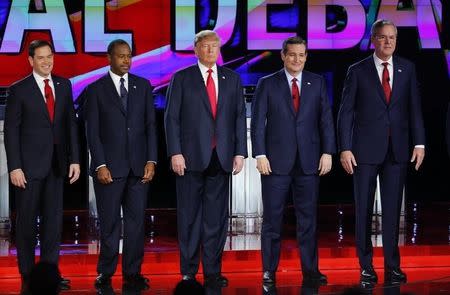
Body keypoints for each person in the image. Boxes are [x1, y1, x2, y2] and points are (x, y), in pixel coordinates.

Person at [337, 19, 425, 284]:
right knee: (364, 210)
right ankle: (366, 265)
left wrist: (419, 143)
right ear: (373, 40)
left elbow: (414, 108)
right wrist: (345, 148)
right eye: (383, 37)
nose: (388, 42)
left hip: (397, 151)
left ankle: (392, 266)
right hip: (363, 152)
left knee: (392, 212)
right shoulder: (358, 70)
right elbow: (345, 112)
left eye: (393, 38)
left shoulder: (407, 69)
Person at [164, 30, 247, 287]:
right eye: (206, 46)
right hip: (189, 159)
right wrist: (175, 152)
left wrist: (239, 152)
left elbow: (237, 117)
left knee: (216, 219)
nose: (211, 50)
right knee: (189, 217)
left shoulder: (231, 79)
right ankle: (188, 271)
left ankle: (213, 270)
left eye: (215, 46)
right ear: (196, 49)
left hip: (220, 157)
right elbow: (171, 119)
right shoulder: (181, 79)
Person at [251, 36, 335, 286]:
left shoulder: (317, 82)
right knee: (272, 220)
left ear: (306, 56)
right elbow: (257, 123)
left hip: (309, 162)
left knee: (308, 220)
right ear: (283, 55)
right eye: (292, 55)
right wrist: (260, 154)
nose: (297, 59)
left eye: (302, 55)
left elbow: (326, 120)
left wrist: (328, 152)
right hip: (275, 163)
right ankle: (269, 271)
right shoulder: (267, 83)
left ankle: (311, 270)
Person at [4, 39, 80, 290]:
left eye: (50, 56)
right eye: (41, 57)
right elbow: (11, 131)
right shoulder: (19, 89)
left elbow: (70, 125)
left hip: (57, 166)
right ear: (31, 60)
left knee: (53, 224)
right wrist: (14, 166)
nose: (47, 61)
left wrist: (75, 160)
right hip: (27, 169)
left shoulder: (64, 84)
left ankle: (50, 275)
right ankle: (28, 276)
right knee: (26, 225)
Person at [84, 39, 157, 289]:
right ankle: (105, 272)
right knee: (110, 224)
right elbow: (92, 133)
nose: (126, 60)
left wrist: (151, 160)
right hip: (109, 170)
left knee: (137, 224)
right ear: (109, 58)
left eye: (129, 56)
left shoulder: (143, 86)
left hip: (139, 169)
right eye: (121, 56)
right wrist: (100, 164)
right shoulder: (95, 90)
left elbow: (150, 127)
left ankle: (133, 272)